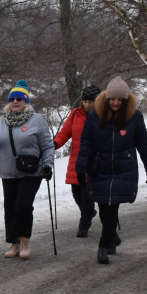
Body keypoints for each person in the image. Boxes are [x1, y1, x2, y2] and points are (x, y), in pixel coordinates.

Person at [74, 77, 147, 265]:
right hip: (99, 167)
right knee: (104, 207)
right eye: (112, 99)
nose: (116, 103)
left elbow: (142, 144)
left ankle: (103, 246)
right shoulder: (95, 116)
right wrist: (81, 167)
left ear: (126, 100)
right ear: (107, 99)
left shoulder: (135, 116)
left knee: (112, 206)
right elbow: (86, 143)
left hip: (123, 168)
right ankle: (112, 237)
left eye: (120, 99)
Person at [0, 79, 55, 259]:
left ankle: (25, 241)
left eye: (19, 99)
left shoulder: (37, 120)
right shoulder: (1, 121)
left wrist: (47, 165)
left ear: (26, 101)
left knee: (23, 206)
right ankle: (14, 243)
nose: (15, 102)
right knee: (10, 208)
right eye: (12, 99)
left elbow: (48, 146)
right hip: (8, 171)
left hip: (32, 171)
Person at [53, 84, 99, 237]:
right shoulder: (75, 114)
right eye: (85, 101)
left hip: (94, 163)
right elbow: (65, 132)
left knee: (87, 196)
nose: (87, 104)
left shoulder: (102, 116)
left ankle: (83, 226)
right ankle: (89, 212)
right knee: (76, 193)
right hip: (76, 161)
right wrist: (55, 144)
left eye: (90, 102)